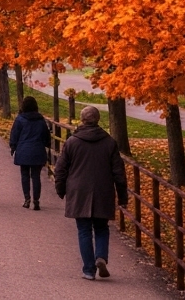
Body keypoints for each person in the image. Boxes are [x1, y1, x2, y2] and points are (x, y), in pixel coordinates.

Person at [54, 105, 129, 281]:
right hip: (103, 190)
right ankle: (101, 257)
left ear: (82, 120)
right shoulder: (109, 142)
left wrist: (61, 189)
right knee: (102, 228)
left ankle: (89, 270)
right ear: (98, 120)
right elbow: (119, 172)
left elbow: (60, 169)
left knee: (84, 230)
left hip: (79, 191)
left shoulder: (72, 142)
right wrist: (123, 196)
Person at [8, 95, 51, 209]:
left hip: (23, 150)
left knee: (25, 175)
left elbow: (14, 134)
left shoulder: (20, 119)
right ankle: (36, 200)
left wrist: (13, 146)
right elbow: (46, 136)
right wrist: (47, 144)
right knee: (36, 176)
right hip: (37, 150)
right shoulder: (41, 120)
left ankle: (27, 199)